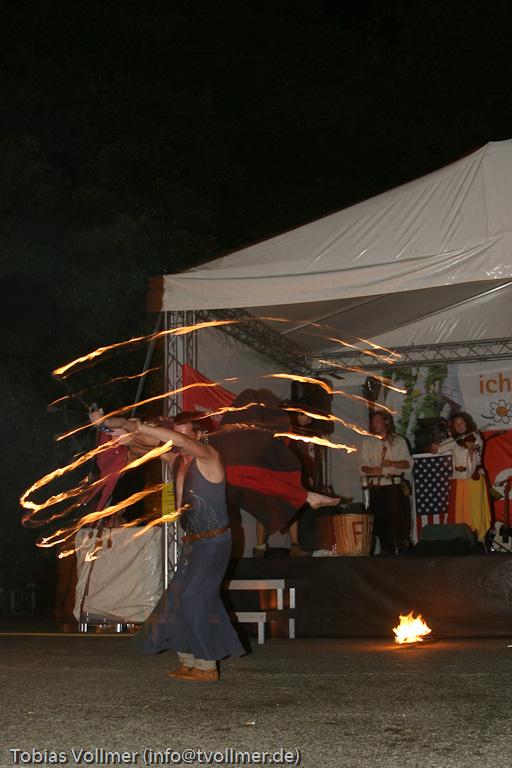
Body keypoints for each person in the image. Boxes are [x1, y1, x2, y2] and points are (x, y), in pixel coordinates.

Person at [132, 412, 245, 682]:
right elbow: (139, 448)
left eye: (183, 435)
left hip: (214, 542)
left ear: (199, 435)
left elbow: (175, 441)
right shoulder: (176, 459)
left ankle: (207, 666)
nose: (178, 441)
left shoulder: (209, 457)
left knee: (193, 599)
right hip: (192, 544)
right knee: (179, 600)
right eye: (175, 434)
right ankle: (189, 661)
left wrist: (143, 427)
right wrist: (117, 430)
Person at [359, 411, 413, 555]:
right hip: (376, 487)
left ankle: (402, 550)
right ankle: (386, 551)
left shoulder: (398, 441)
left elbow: (408, 463)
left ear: (386, 422)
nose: (375, 424)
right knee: (380, 522)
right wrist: (372, 470)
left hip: (393, 485)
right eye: (373, 422)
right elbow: (362, 465)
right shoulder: (368, 442)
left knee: (398, 521)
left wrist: (392, 463)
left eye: (378, 421)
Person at [431, 412, 491, 540]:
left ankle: (478, 538)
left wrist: (471, 451)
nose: (459, 426)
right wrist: (435, 447)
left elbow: (476, 458)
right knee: (460, 509)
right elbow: (439, 449)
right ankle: (462, 538)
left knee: (474, 509)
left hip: (473, 478)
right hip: (459, 479)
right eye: (456, 424)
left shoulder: (476, 438)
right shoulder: (455, 440)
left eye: (461, 423)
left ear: (467, 423)